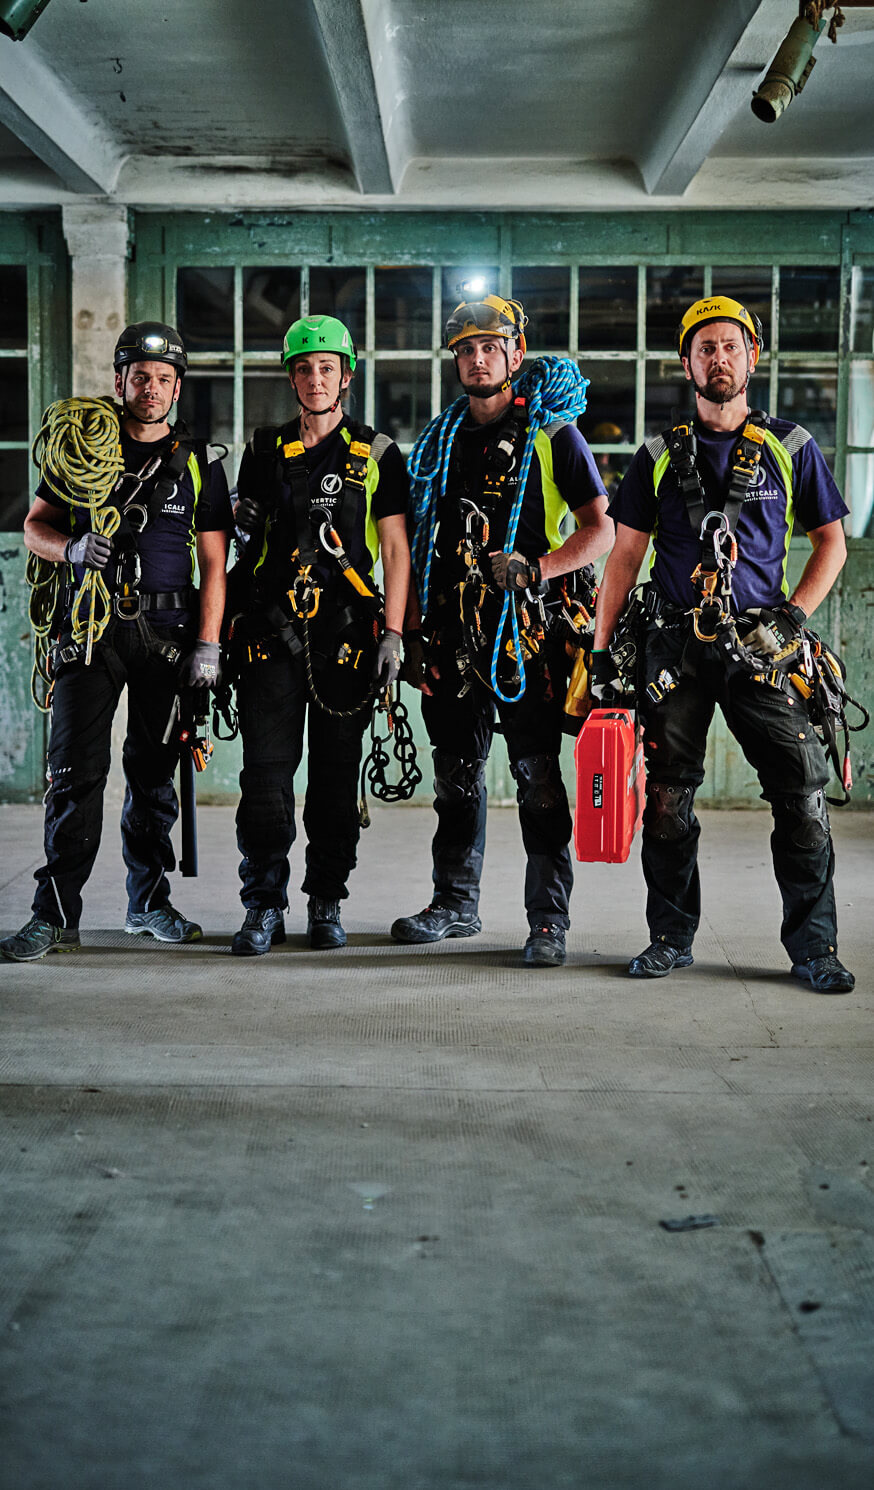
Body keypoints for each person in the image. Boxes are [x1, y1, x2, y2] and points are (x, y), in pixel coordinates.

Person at [591, 294, 854, 992]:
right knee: (669, 802)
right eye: (705, 347)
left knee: (801, 798)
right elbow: (624, 558)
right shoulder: (655, 456)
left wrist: (796, 617)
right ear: (686, 364)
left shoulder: (792, 446)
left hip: (764, 648)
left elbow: (832, 544)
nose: (719, 357)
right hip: (674, 648)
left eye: (730, 345)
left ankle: (815, 950)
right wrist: (600, 646)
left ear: (752, 356)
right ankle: (670, 937)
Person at [393, 292, 613, 967]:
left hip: (528, 639)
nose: (478, 358)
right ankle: (455, 903)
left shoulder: (554, 436)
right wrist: (406, 631)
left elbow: (600, 530)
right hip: (452, 637)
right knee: (457, 777)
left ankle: (548, 919)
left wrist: (537, 568)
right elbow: (412, 541)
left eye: (490, 347)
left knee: (536, 776)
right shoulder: (438, 440)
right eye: (466, 350)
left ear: (516, 355)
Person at [1, 322, 233, 962]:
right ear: (119, 380)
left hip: (166, 636)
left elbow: (214, 565)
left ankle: (148, 904)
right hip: (91, 630)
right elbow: (34, 527)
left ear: (177, 388)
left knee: (153, 775)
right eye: (139, 377)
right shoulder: (82, 452)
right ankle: (53, 915)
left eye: (162, 379)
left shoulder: (199, 465)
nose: (151, 389)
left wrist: (207, 646)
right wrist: (71, 548)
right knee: (74, 774)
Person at [228, 314, 411, 954]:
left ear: (347, 376)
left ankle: (326, 900)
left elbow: (395, 550)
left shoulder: (377, 454)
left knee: (335, 779)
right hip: (272, 637)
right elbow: (240, 548)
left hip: (347, 639)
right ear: (291, 378)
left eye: (326, 367)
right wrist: (239, 520)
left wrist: (393, 632)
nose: (314, 378)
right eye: (303, 368)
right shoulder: (263, 450)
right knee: (266, 778)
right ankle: (263, 905)